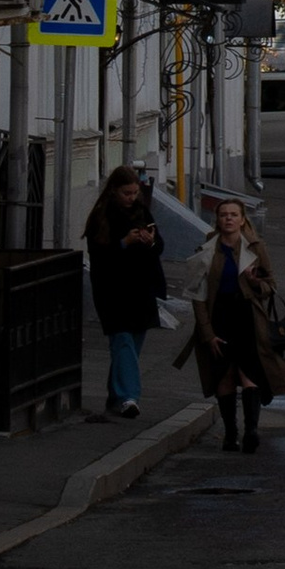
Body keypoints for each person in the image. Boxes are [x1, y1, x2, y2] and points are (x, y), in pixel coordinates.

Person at [179, 193, 285, 451]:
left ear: (242, 220)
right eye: (223, 215)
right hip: (219, 317)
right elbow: (198, 295)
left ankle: (251, 431)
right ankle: (230, 433)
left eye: (233, 215)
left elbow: (271, 285)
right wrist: (207, 333)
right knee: (224, 375)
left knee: (249, 373)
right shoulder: (208, 249)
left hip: (248, 318)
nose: (228, 219)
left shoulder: (255, 247)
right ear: (217, 220)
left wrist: (254, 283)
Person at [84, 164, 167, 420]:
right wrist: (124, 242)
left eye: (134, 193)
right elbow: (99, 256)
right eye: (126, 193)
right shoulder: (101, 216)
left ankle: (115, 399)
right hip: (113, 290)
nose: (131, 198)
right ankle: (129, 397)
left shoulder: (142, 211)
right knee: (122, 341)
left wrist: (150, 241)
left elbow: (159, 245)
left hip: (141, 289)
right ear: (114, 191)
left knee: (131, 347)